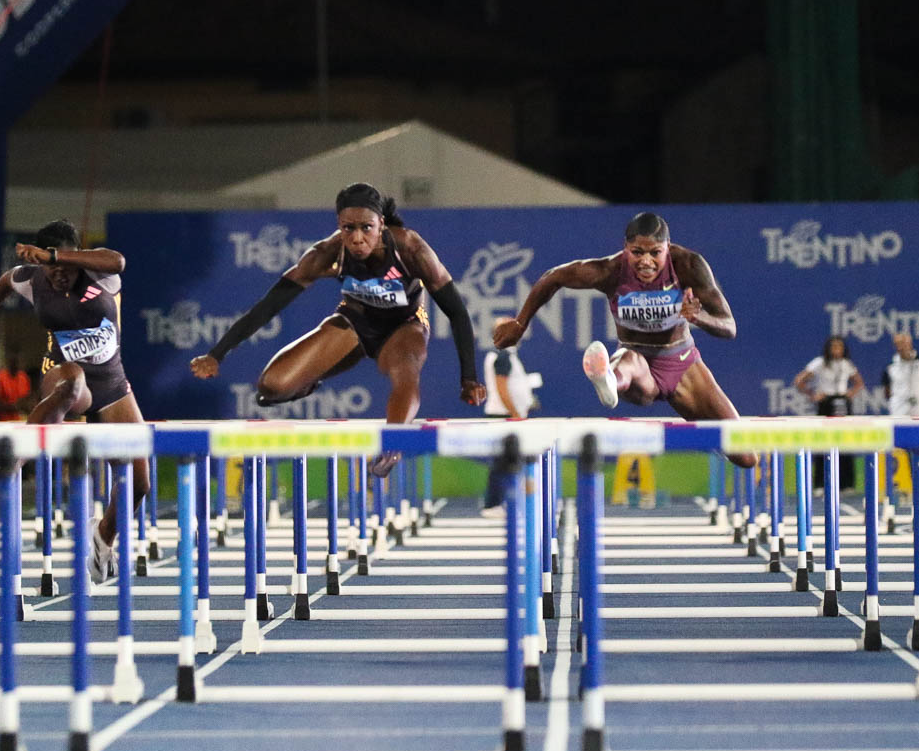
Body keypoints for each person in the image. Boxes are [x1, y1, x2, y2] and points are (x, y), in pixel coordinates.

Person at [189, 182, 487, 476]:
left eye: (366, 228)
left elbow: (457, 312)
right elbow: (269, 305)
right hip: (354, 323)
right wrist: (217, 353)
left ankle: (392, 445)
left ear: (381, 224)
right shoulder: (327, 253)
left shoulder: (410, 248)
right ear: (339, 226)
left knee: (406, 368)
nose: (357, 239)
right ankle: (308, 382)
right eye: (348, 229)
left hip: (404, 326)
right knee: (272, 387)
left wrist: (469, 378)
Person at [0, 219, 149, 583]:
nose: (60, 276)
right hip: (62, 374)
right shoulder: (32, 279)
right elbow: (5, 281)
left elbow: (119, 261)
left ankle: (103, 538)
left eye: (66, 268)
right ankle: (17, 459)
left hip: (111, 384)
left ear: (76, 258)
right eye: (51, 270)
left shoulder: (100, 275)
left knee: (139, 484)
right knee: (72, 381)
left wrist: (54, 257)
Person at [492, 211, 756, 469]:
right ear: (625, 248)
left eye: (655, 253)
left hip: (682, 363)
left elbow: (728, 326)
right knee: (627, 360)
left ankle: (711, 441)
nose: (646, 262)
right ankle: (609, 380)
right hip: (638, 363)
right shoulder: (611, 271)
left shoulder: (688, 265)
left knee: (746, 457)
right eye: (637, 252)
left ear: (668, 247)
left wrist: (700, 318)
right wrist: (520, 323)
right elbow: (554, 277)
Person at [480, 345, 537, 517]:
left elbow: (513, 385)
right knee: (502, 462)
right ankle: (493, 504)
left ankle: (504, 501)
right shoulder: (502, 357)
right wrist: (514, 412)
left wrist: (527, 401)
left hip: (507, 414)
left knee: (508, 461)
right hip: (504, 415)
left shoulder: (507, 356)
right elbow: (501, 387)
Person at [795, 336, 864, 416]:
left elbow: (859, 383)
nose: (837, 349)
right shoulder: (819, 362)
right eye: (834, 346)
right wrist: (812, 394)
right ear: (828, 348)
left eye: (840, 346)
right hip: (825, 400)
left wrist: (850, 393)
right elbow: (799, 380)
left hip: (842, 400)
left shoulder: (846, 363)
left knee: (846, 423)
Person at [881, 331, 919, 418]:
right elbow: (887, 392)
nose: (901, 347)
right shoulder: (890, 367)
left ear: (910, 343)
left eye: (903, 343)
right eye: (897, 344)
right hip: (899, 413)